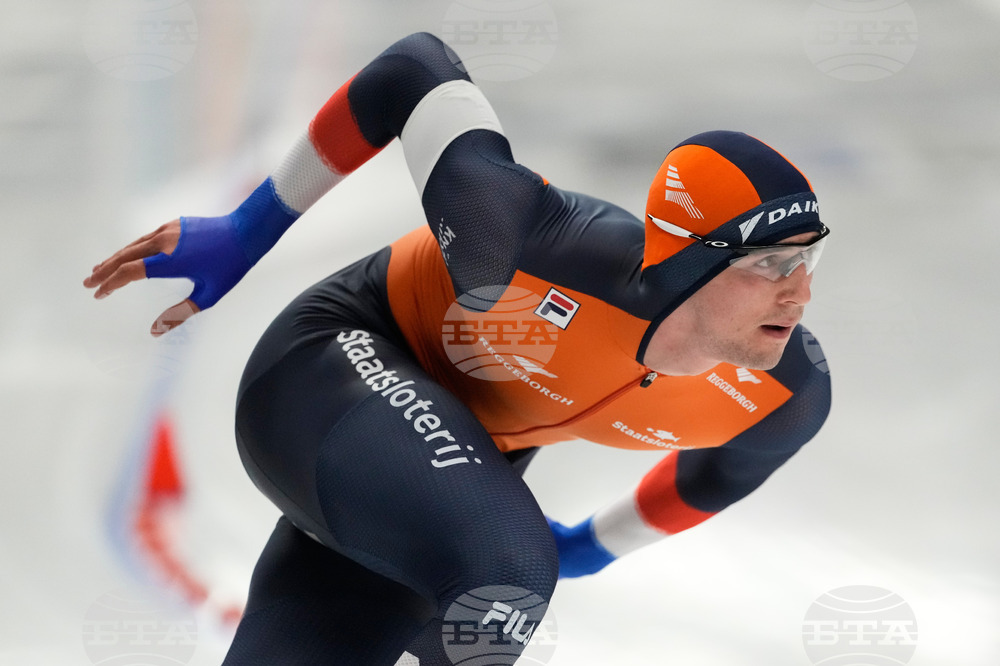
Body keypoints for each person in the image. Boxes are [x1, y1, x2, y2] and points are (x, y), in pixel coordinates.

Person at [84, 32, 831, 665]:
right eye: (771, 263)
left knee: (472, 578)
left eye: (809, 257)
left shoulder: (786, 395)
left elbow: (719, 475)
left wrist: (586, 548)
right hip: (328, 369)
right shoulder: (515, 243)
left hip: (439, 462)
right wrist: (246, 230)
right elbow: (413, 69)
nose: (799, 292)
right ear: (688, 258)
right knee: (505, 569)